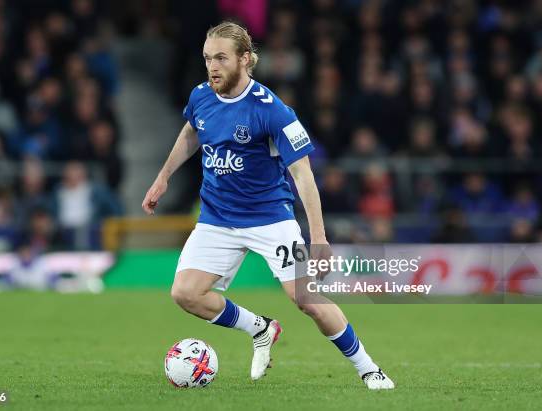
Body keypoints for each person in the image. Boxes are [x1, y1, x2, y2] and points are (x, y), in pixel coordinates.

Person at [142, 22, 394, 389]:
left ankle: (368, 368)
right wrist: (163, 176)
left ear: (245, 59)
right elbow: (191, 131)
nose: (212, 66)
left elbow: (304, 176)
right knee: (185, 293)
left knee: (307, 299)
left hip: (269, 218)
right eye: (208, 58)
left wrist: (318, 238)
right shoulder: (201, 96)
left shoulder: (273, 111)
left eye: (221, 58)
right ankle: (260, 328)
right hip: (216, 217)